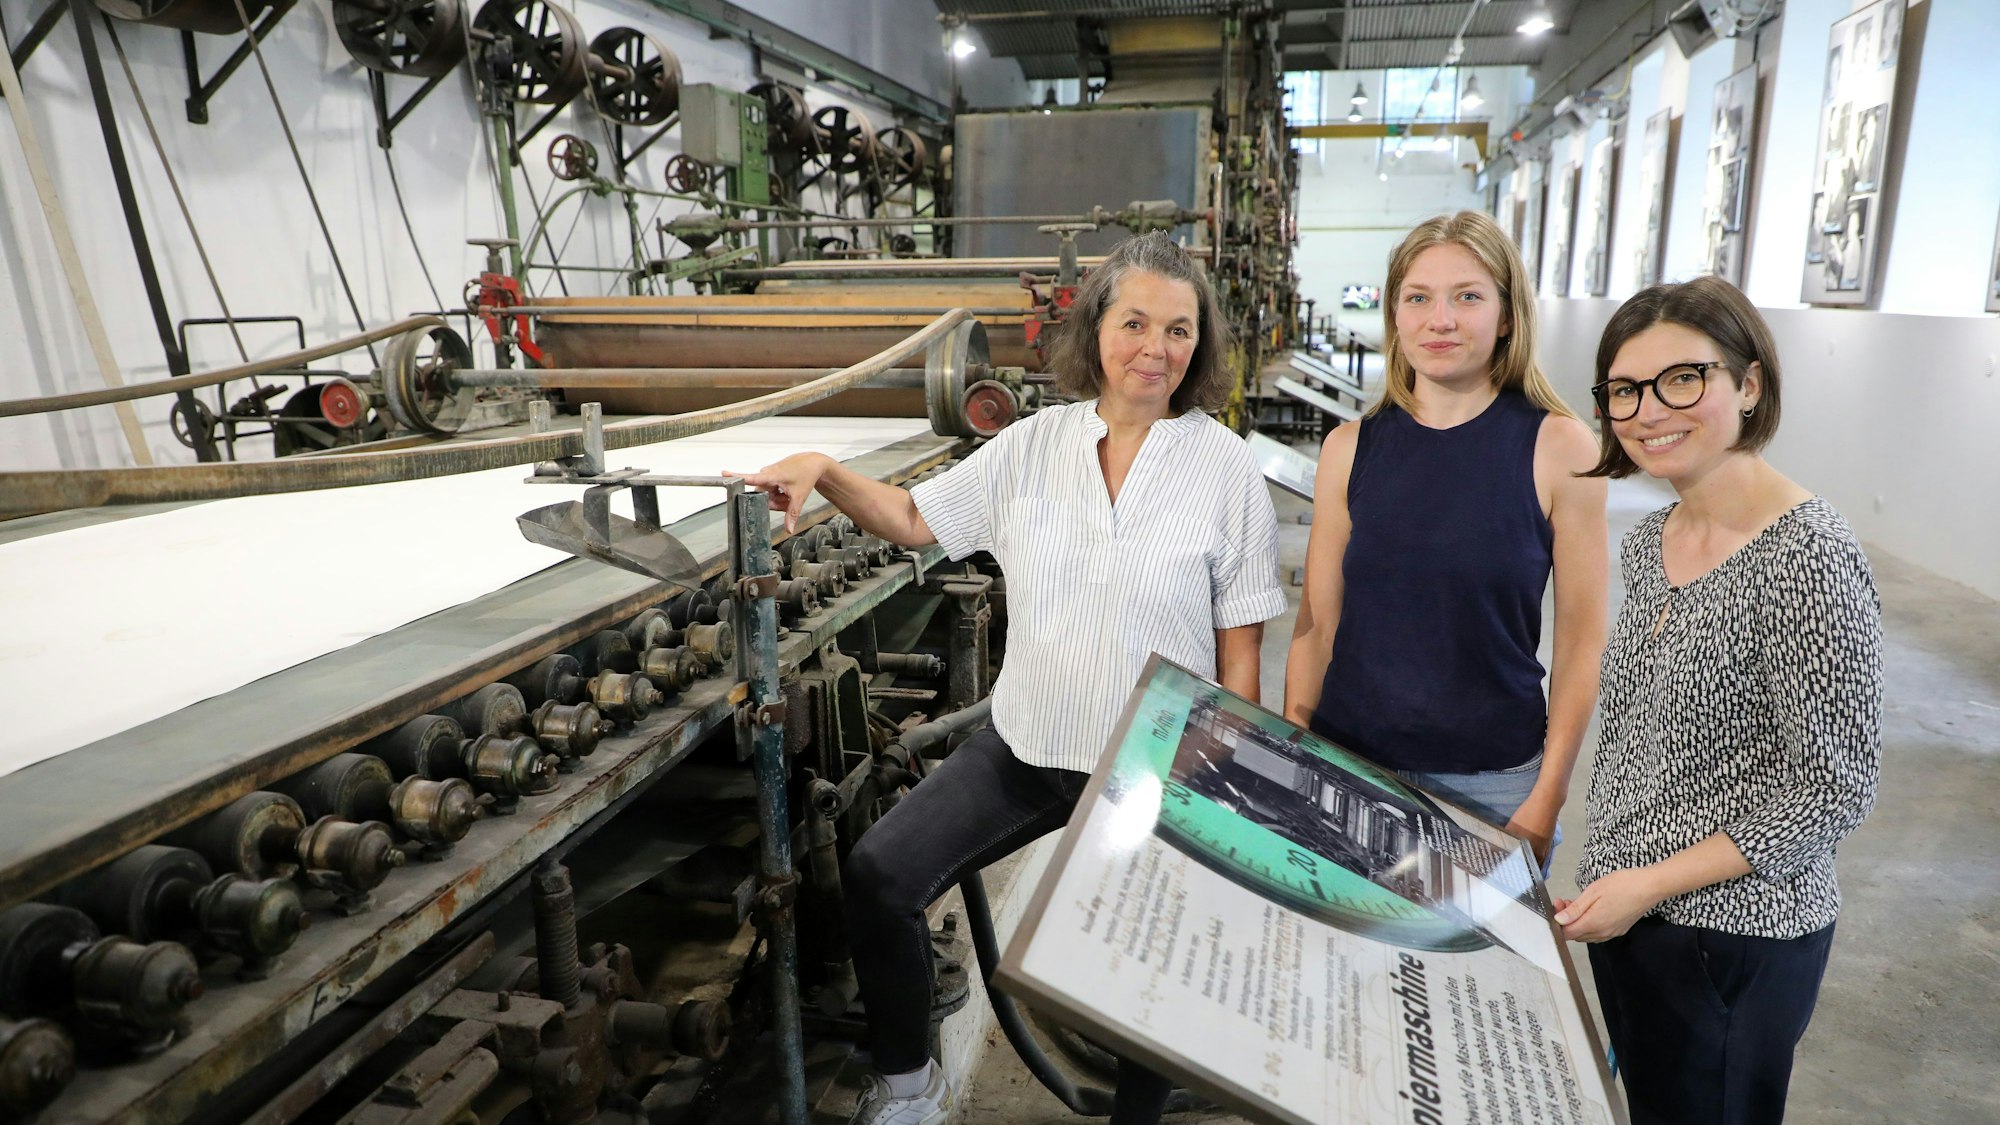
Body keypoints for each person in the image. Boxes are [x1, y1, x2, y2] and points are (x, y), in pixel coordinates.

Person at [732, 232, 1285, 1125]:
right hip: (1029, 743)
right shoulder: (1034, 445)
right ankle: (912, 1086)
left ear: (1202, 343)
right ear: (1096, 327)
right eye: (1135, 321)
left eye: (1179, 330)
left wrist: (1223, 788)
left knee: (1142, 962)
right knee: (881, 873)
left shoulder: (1225, 470)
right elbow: (915, 519)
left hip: (1153, 768)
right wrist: (826, 471)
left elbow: (1241, 647)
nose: (1156, 348)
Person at [1555, 276, 1882, 1124]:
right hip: (1633, 915)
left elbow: (1832, 790)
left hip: (1736, 934)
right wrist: (1621, 885)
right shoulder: (1653, 537)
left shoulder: (1805, 557)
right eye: (1624, 389)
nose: (1650, 409)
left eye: (1683, 378)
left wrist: (1647, 883)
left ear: (1749, 383)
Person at [1282, 210, 1607, 869]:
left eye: (1468, 296)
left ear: (1508, 315)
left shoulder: (1559, 448)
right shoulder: (1349, 450)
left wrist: (1547, 797)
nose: (1441, 320)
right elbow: (1317, 625)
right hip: (1351, 769)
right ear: (1395, 314)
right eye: (1418, 298)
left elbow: (1581, 643)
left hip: (1492, 785)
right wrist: (1296, 752)